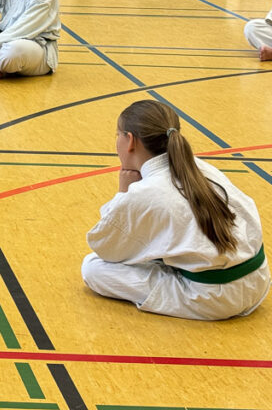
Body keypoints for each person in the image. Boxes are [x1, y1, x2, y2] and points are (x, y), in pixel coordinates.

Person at [82, 99, 269, 320]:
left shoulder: (143, 193)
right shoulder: (200, 167)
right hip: (259, 280)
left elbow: (106, 249)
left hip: (213, 299)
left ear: (130, 140)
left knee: (93, 267)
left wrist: (123, 193)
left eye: (118, 135)